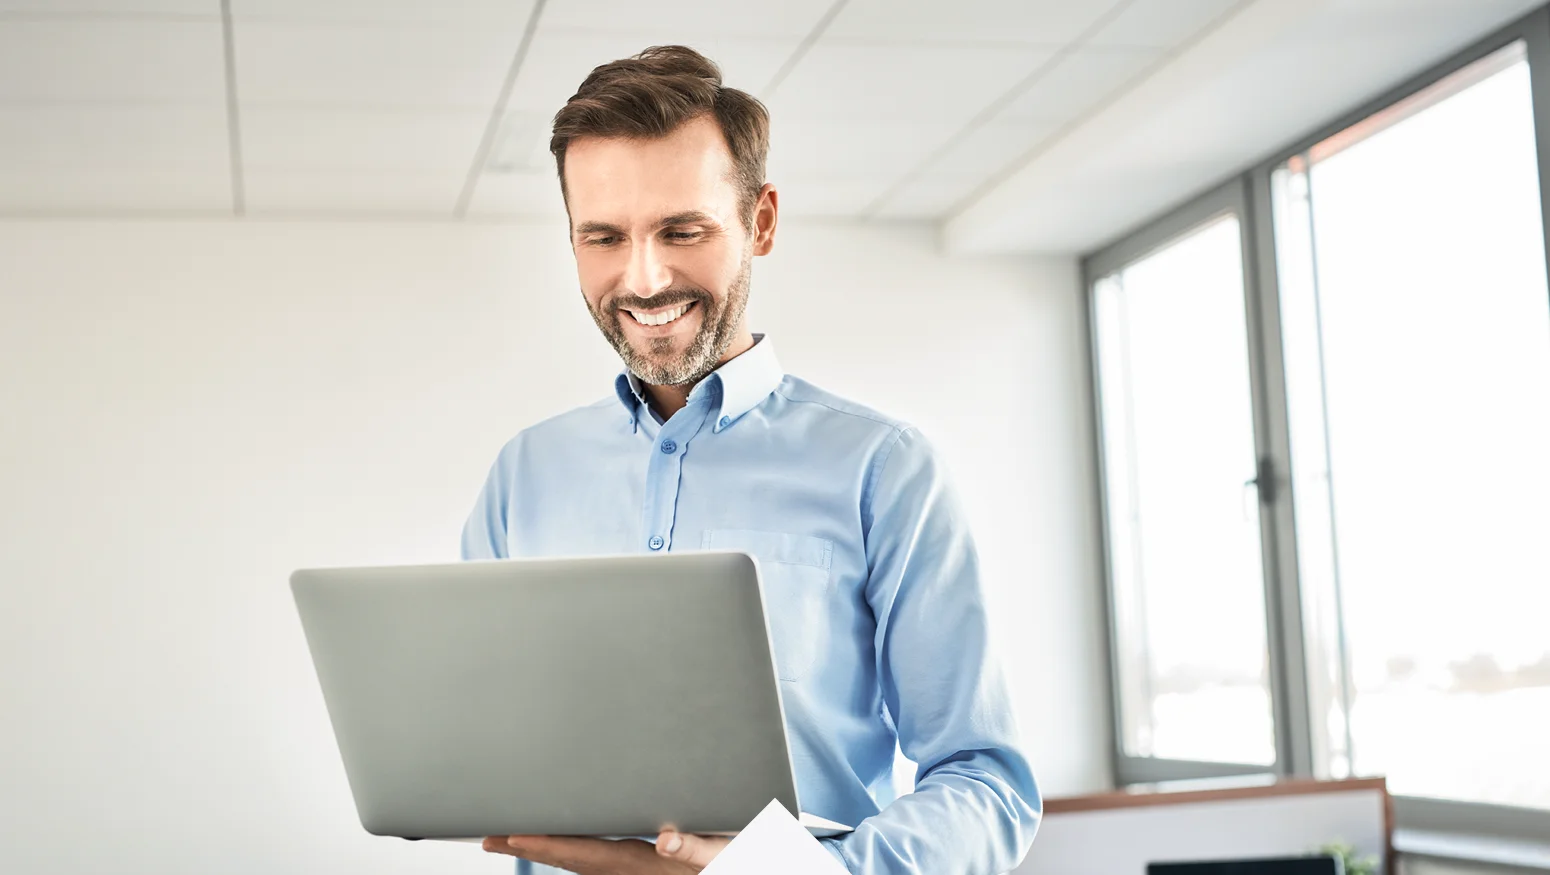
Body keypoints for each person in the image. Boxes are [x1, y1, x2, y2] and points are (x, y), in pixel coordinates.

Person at [461, 45, 1040, 875]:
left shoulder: (885, 468)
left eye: (681, 230)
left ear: (760, 222)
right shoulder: (524, 475)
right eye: (604, 237)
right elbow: (481, 740)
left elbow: (988, 783)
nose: (644, 275)